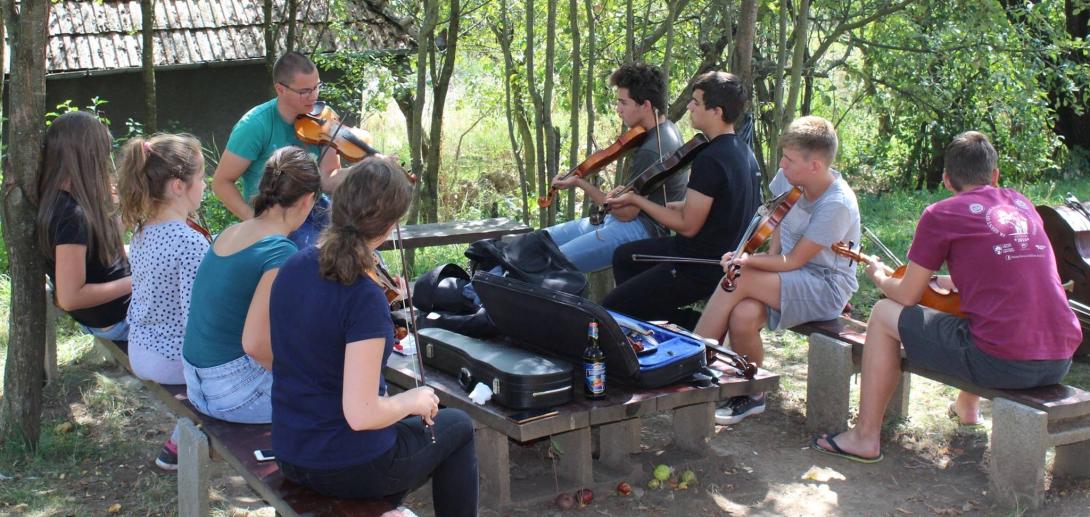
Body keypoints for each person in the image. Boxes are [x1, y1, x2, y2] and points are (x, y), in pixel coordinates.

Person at [811, 131, 1080, 463]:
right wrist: (956, 281)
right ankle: (967, 408)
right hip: (1060, 359)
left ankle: (865, 436)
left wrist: (881, 278)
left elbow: (908, 295)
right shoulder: (1021, 203)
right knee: (986, 315)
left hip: (1003, 363)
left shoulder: (942, 214)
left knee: (883, 313)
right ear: (995, 176)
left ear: (947, 180)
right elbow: (1017, 269)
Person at [269, 157, 477, 515]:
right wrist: (414, 399)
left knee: (405, 428)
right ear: (390, 226)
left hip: (290, 449)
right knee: (456, 425)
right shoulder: (362, 296)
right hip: (343, 467)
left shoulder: (294, 265)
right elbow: (361, 415)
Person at [693, 115, 861, 426]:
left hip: (825, 287)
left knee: (738, 276)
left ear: (816, 167)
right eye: (783, 155)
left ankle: (690, 360)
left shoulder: (837, 204)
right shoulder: (790, 178)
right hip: (787, 275)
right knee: (742, 315)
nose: (781, 165)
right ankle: (751, 392)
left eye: (789, 159)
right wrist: (761, 255)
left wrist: (746, 262)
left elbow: (796, 261)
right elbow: (777, 222)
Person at [600, 71, 761, 330]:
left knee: (612, 308)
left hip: (700, 265)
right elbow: (719, 210)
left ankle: (697, 327)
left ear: (716, 111)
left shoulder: (711, 158)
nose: (689, 107)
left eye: (696, 102)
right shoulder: (742, 151)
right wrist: (670, 206)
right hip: (712, 253)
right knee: (624, 257)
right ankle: (651, 320)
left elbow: (687, 226)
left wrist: (638, 201)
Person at [183, 147, 320, 424]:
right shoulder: (280, 253)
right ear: (308, 200)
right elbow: (256, 345)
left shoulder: (230, 232)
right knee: (338, 393)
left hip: (195, 382)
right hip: (231, 392)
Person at [117, 133, 211, 470]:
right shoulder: (189, 243)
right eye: (200, 178)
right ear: (177, 186)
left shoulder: (142, 232)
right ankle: (179, 444)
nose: (205, 185)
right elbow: (196, 323)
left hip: (140, 348)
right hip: (169, 358)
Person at [543, 63, 686, 272]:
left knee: (550, 263)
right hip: (629, 221)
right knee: (542, 240)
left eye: (623, 103)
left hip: (641, 229)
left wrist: (580, 183)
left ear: (646, 105)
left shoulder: (652, 150)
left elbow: (626, 212)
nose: (618, 110)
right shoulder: (669, 128)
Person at [211, 51, 345, 249]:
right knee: (309, 256)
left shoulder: (324, 119)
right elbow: (221, 183)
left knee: (358, 244)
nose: (314, 96)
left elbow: (327, 177)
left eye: (316, 87)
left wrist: (363, 170)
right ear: (281, 89)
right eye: (304, 91)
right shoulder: (255, 125)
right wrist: (255, 221)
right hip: (273, 215)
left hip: (313, 208)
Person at [36, 111, 132, 345]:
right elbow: (69, 298)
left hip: (115, 312)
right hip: (117, 320)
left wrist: (125, 217)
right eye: (102, 154)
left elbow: (96, 251)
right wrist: (139, 280)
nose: (105, 161)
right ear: (87, 157)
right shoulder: (70, 214)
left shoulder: (65, 198)